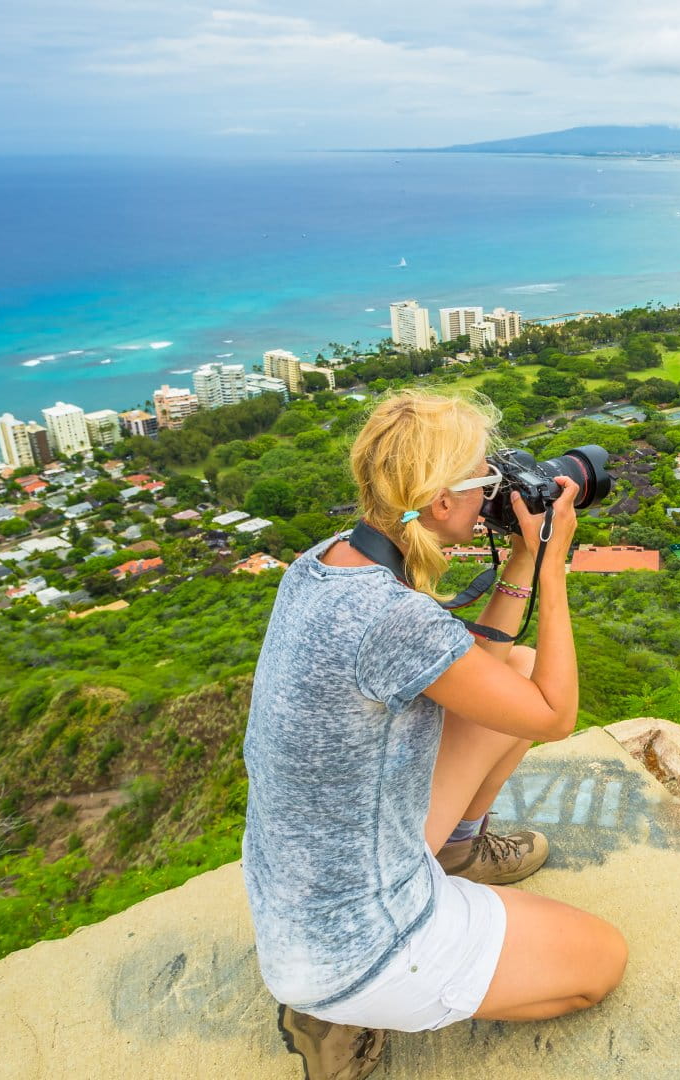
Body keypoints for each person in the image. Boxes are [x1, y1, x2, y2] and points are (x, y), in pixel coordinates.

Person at [242, 390, 628, 1080]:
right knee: (600, 962)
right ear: (440, 498)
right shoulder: (389, 617)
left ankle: (452, 854)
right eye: (485, 482)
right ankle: (343, 1013)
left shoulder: (327, 562)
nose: (493, 497)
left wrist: (517, 559)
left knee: (518, 668)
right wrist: (553, 563)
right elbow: (553, 714)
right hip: (352, 941)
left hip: (297, 890)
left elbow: (482, 673)